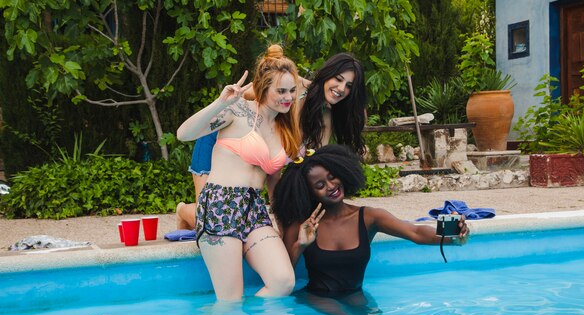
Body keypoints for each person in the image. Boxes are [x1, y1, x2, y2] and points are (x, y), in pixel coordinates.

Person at [175, 52, 368, 229]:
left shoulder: (326, 116)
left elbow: (311, 169)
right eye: (338, 79)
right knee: (207, 220)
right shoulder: (295, 91)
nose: (341, 88)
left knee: (231, 219)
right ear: (328, 74)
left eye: (349, 86)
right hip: (219, 137)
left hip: (252, 154)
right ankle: (183, 210)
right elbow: (250, 94)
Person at [176, 44, 301, 301]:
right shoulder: (237, 112)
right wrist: (220, 103)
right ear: (263, 88)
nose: (288, 97)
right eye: (281, 91)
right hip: (221, 205)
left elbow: (275, 182)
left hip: (255, 210)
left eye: (291, 90)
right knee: (230, 300)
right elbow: (183, 134)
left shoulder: (284, 128)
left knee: (283, 282)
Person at [271, 144, 469, 296]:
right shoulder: (301, 226)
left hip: (355, 296)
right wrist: (300, 245)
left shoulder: (369, 217)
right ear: (310, 193)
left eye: (333, 177)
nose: (331, 186)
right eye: (320, 185)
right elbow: (283, 275)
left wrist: (453, 231)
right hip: (317, 298)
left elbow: (415, 232)